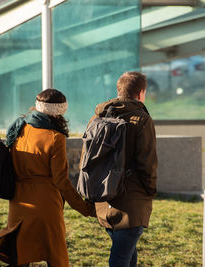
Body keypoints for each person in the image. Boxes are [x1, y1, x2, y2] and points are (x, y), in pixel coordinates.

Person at [0, 88, 95, 267]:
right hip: (46, 205)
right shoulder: (55, 137)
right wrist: (84, 208)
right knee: (55, 255)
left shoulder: (18, 128)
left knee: (20, 255)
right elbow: (61, 181)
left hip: (18, 202)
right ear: (60, 112)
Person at [86, 71, 158, 267]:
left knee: (128, 253)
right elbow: (147, 162)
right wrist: (150, 190)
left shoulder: (97, 117)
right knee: (120, 258)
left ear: (119, 90)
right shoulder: (142, 119)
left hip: (104, 199)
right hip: (131, 202)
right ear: (141, 92)